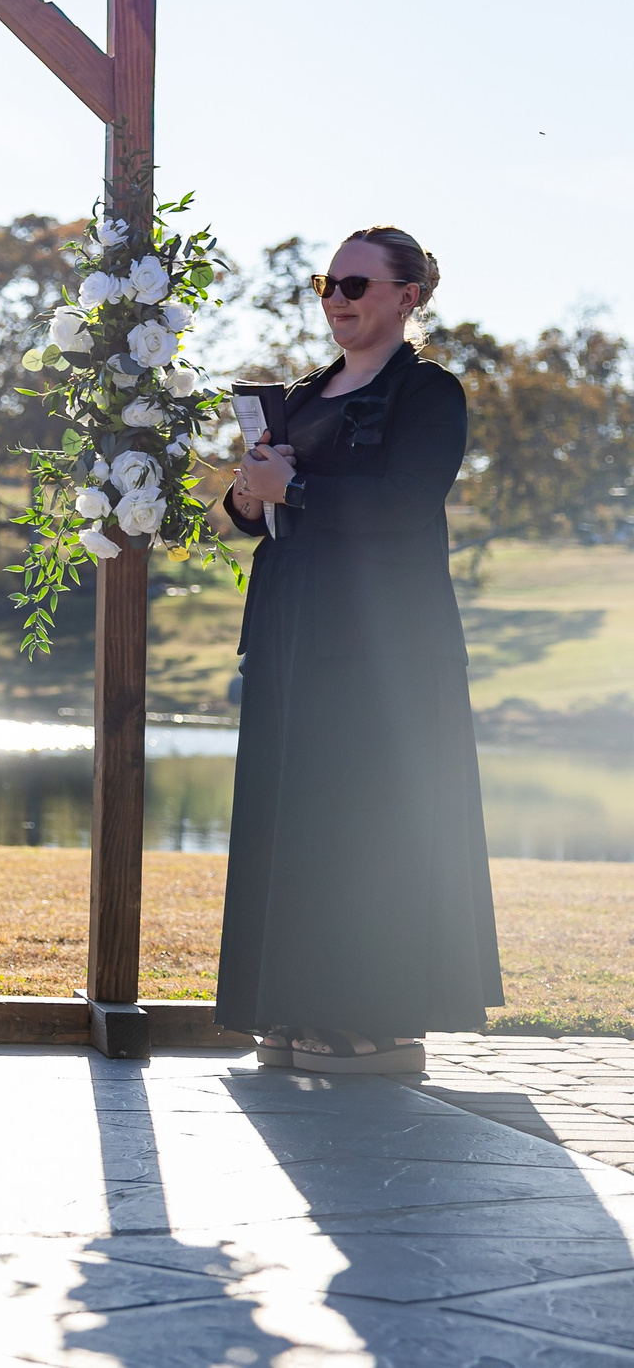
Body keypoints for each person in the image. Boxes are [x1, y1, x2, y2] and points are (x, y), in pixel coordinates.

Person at [217, 226, 502, 1073]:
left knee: (364, 822)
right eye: (327, 284)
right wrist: (247, 487)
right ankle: (294, 1006)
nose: (337, 299)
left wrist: (295, 485)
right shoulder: (305, 393)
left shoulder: (431, 395)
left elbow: (405, 505)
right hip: (292, 636)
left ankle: (376, 1025)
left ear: (408, 295)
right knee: (296, 819)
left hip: (385, 650)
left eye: (356, 284)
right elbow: (250, 515)